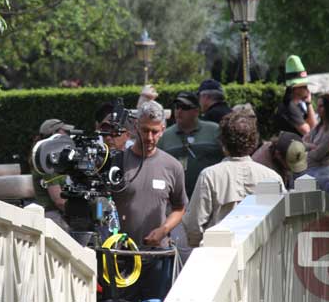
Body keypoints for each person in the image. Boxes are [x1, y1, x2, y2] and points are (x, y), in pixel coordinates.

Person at [110, 100, 188, 301]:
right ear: (136, 127)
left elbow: (180, 208)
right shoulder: (118, 162)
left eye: (155, 132)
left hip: (158, 258)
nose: (149, 137)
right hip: (122, 257)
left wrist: (163, 230)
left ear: (163, 129)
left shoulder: (172, 167)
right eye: (144, 130)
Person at [183, 110, 284, 247]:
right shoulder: (272, 177)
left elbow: (194, 225)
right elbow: (282, 219)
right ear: (253, 142)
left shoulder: (210, 175)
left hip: (219, 255)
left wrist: (199, 246)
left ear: (222, 142)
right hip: (261, 255)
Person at [158, 91, 223, 199]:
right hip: (177, 199)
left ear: (196, 111)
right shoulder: (164, 136)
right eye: (177, 107)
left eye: (185, 107)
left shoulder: (214, 130)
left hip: (211, 196)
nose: (179, 111)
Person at [30, 118, 74, 231]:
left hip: (61, 213)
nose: (69, 135)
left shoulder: (56, 158)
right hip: (51, 215)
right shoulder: (47, 162)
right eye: (65, 132)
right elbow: (59, 201)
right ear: (56, 134)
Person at [274, 55, 317, 136]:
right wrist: (309, 104)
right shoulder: (289, 106)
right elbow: (308, 131)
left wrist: (308, 103)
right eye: (303, 86)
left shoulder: (300, 105)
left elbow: (314, 126)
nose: (307, 89)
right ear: (295, 89)